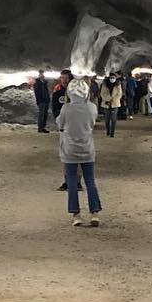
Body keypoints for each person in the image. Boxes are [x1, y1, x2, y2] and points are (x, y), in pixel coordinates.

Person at [56, 78, 102, 226]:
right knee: (90, 180)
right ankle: (94, 213)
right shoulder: (92, 108)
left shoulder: (66, 108)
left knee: (71, 181)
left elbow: (60, 124)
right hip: (87, 148)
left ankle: (76, 215)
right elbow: (92, 123)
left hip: (69, 149)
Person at [97, 72, 121, 137]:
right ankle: (108, 130)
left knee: (113, 119)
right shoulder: (104, 85)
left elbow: (119, 94)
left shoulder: (118, 85)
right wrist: (108, 99)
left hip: (115, 104)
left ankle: (112, 133)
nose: (112, 79)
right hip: (106, 103)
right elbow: (102, 94)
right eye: (111, 78)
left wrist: (112, 100)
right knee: (107, 119)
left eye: (113, 78)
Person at [33, 66, 53, 133]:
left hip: (45, 100)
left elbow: (46, 91)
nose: (43, 75)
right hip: (41, 101)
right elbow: (37, 93)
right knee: (41, 114)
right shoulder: (38, 83)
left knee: (45, 114)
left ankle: (43, 127)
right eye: (41, 74)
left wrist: (48, 99)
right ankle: (40, 128)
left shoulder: (44, 83)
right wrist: (39, 101)